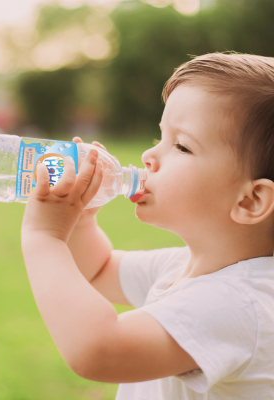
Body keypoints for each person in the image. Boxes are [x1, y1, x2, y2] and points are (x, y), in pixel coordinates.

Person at [21, 52, 274, 399]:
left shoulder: (242, 304)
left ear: (250, 201)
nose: (148, 157)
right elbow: (98, 271)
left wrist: (44, 238)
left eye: (181, 146)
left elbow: (100, 350)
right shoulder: (182, 265)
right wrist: (81, 221)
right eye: (160, 138)